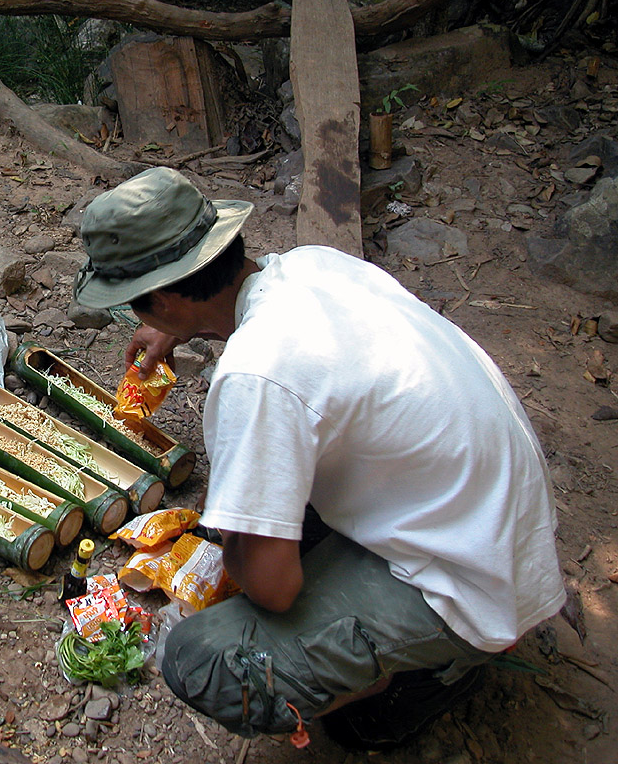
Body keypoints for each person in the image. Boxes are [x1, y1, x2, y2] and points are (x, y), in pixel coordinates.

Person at [73, 167, 565, 750]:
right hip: (501, 520)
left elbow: (274, 590)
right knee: (289, 508)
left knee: (203, 658)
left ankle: (429, 675)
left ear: (166, 298)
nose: (140, 320)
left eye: (141, 307)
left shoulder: (255, 375)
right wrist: (176, 332)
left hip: (471, 581)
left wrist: (225, 533)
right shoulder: (312, 265)